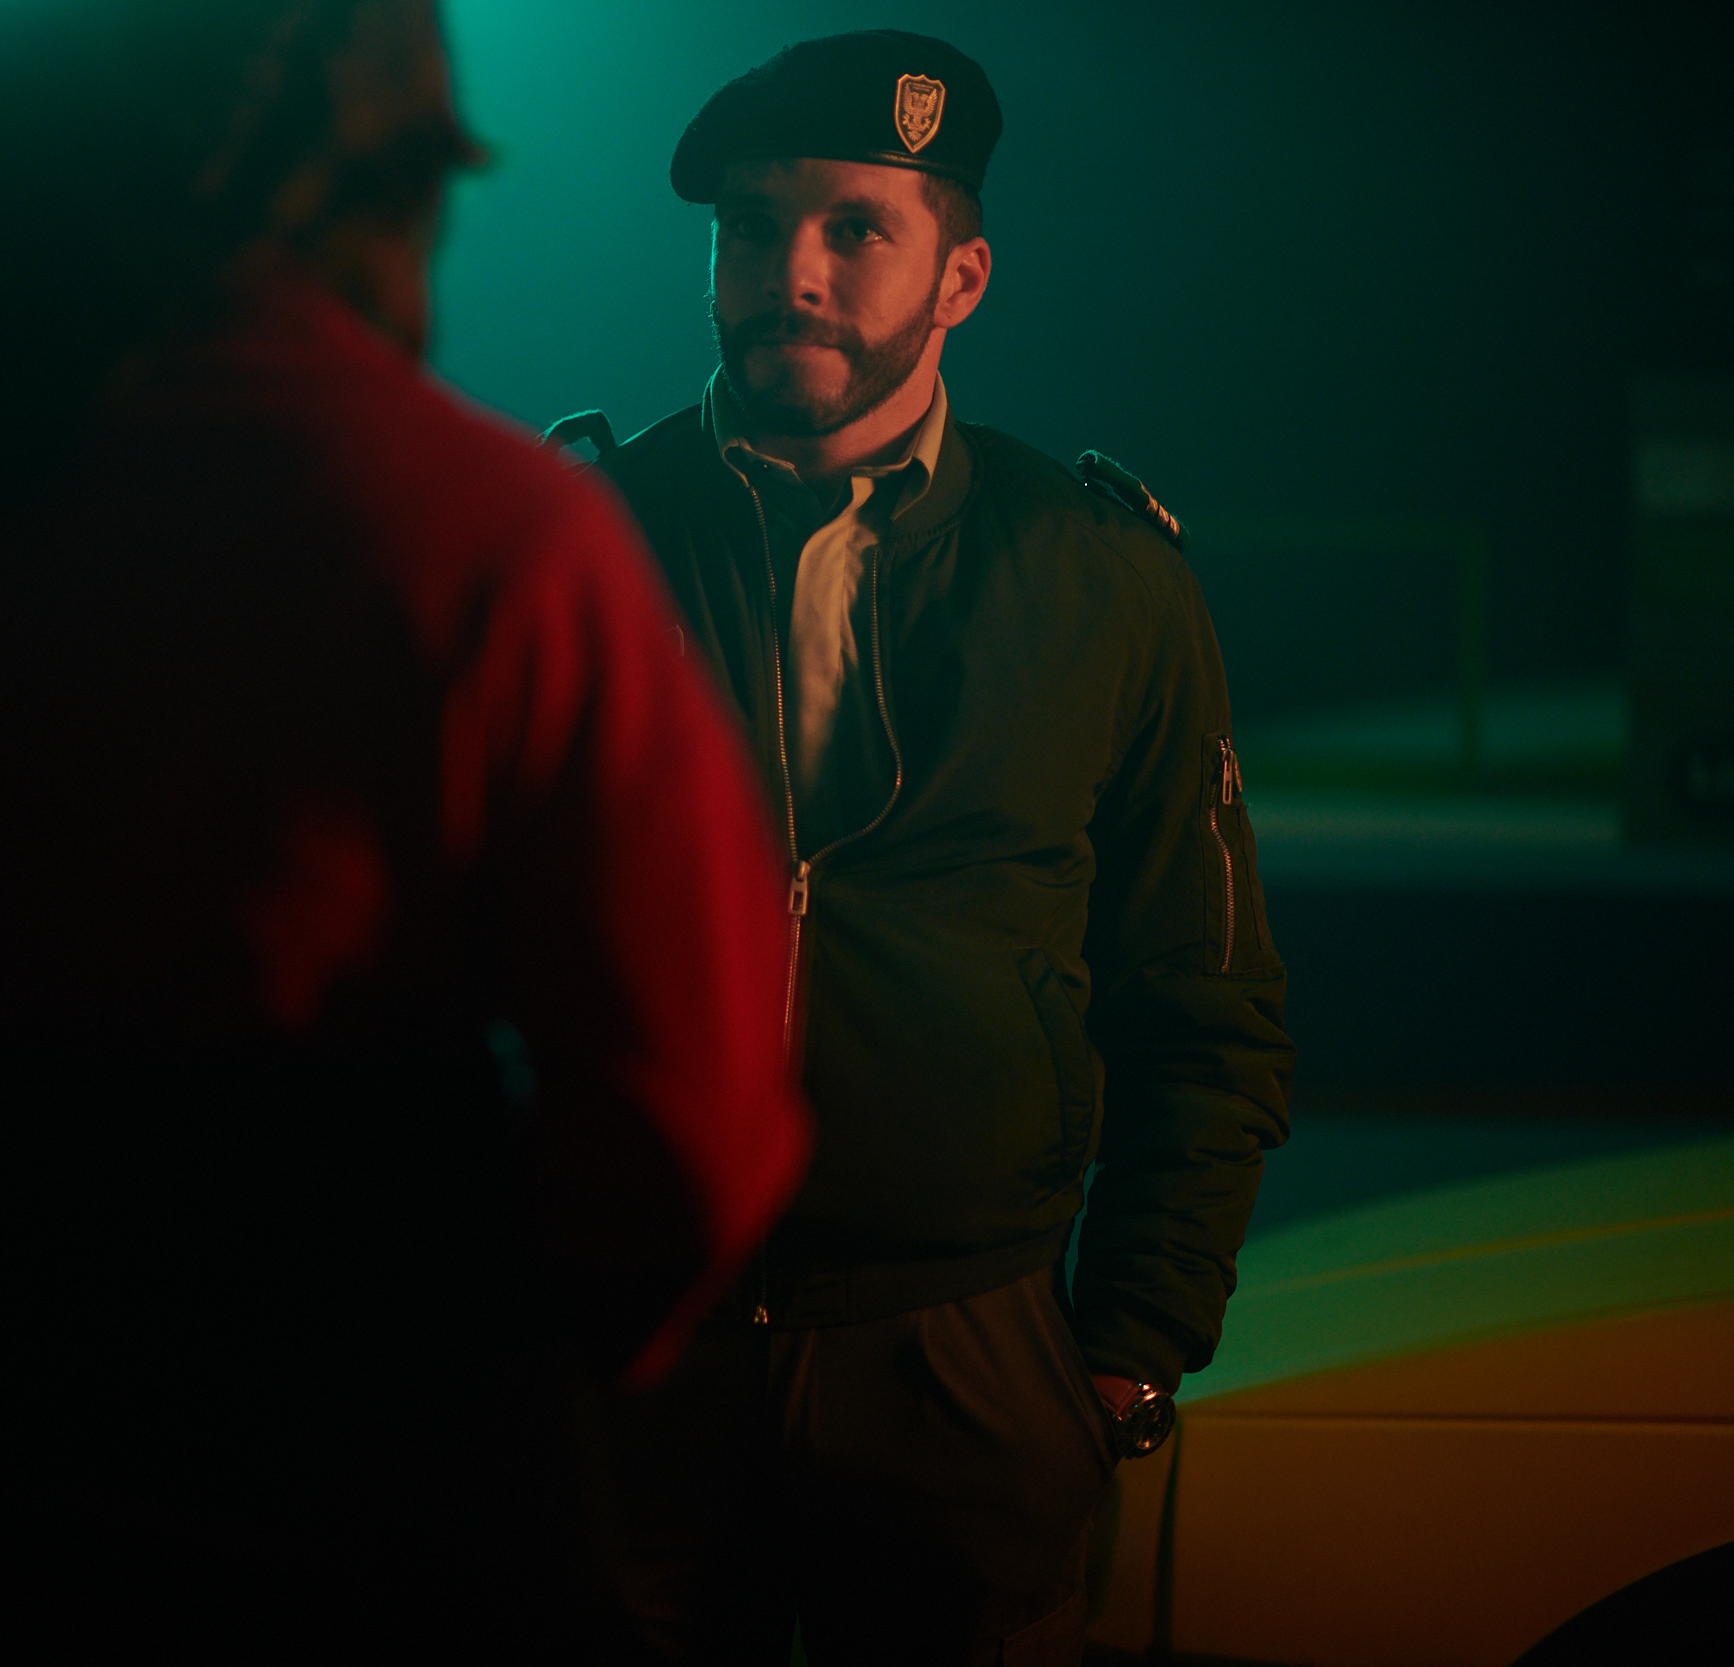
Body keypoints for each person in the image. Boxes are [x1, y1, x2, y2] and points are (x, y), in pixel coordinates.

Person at [0, 2, 810, 1659]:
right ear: (367, 178)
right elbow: (689, 1131)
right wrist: (458, 1365)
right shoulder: (488, 540)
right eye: (426, 181)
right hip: (385, 1537)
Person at [558, 31, 1294, 1666]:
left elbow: (1204, 1000)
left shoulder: (1099, 576)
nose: (790, 274)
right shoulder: (575, 546)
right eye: (751, 227)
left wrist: (1128, 1348)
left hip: (968, 1362)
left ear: (962, 276)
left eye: (853, 230)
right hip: (626, 1354)